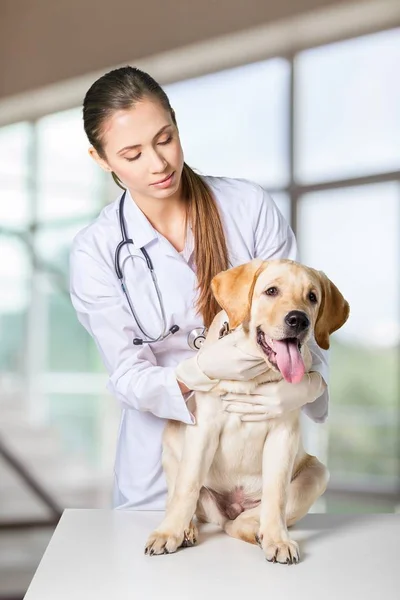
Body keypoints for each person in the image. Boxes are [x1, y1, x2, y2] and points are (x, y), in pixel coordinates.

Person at [70, 66, 329, 510]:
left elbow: (301, 313)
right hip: (162, 463)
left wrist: (310, 384)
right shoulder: (96, 250)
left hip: (254, 454)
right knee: (158, 572)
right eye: (132, 154)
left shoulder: (246, 207)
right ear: (101, 159)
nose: (159, 164)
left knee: (263, 569)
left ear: (175, 122)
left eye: (165, 138)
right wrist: (197, 371)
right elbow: (129, 375)